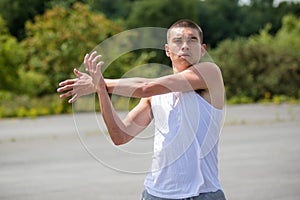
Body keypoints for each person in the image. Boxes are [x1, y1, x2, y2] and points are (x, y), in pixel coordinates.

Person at [57, 19, 226, 200]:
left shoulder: (210, 73)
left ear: (202, 49)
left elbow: (145, 86)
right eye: (178, 40)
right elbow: (120, 136)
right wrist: (100, 90)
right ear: (167, 50)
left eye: (192, 40)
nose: (185, 46)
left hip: (202, 194)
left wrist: (100, 83)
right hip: (155, 194)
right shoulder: (156, 95)